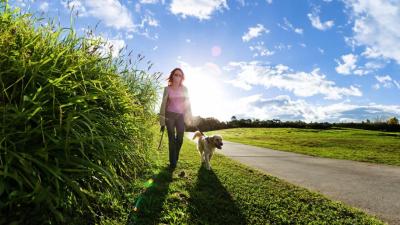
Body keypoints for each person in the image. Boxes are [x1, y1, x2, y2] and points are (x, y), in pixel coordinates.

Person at [159, 68, 192, 169]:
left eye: (180, 75)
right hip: (169, 115)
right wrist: (162, 121)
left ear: (182, 78)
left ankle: (175, 157)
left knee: (180, 138)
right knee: (171, 139)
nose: (177, 77)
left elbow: (188, 104)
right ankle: (173, 162)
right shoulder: (167, 89)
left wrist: (190, 117)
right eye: (176, 75)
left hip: (180, 116)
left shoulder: (185, 89)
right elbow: (163, 104)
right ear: (172, 76)